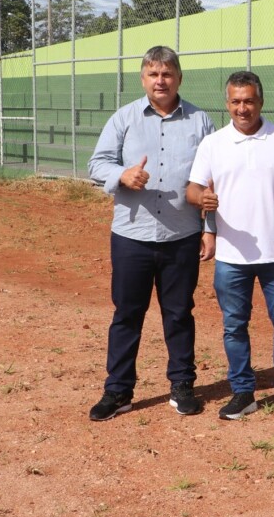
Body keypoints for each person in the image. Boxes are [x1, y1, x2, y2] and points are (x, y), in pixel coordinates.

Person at [87, 45, 215, 421]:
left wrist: (209, 231)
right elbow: (98, 162)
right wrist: (121, 175)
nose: (161, 80)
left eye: (167, 73)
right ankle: (119, 390)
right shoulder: (124, 118)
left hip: (182, 236)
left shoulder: (201, 121)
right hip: (132, 236)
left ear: (179, 78)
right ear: (143, 78)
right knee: (127, 313)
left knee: (179, 314)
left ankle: (182, 385)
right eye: (153, 74)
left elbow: (210, 181)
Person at [186, 70, 274, 422]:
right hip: (231, 256)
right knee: (234, 325)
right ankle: (243, 392)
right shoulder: (213, 143)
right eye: (236, 101)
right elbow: (193, 189)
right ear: (227, 103)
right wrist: (203, 199)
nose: (243, 108)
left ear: (261, 101)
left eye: (249, 101)